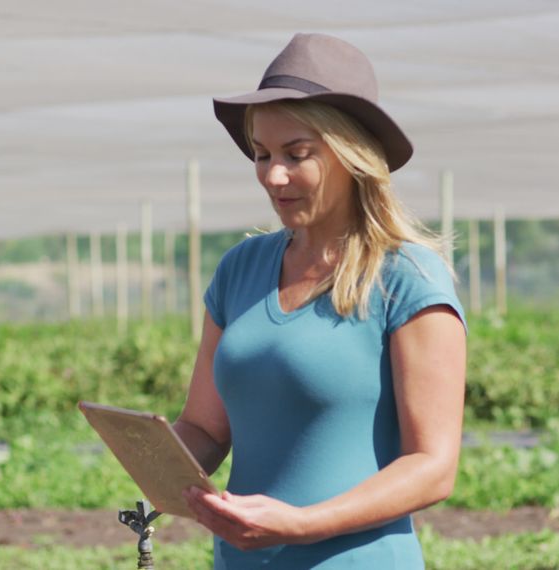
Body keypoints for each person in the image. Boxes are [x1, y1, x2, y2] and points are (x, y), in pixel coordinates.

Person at [173, 32, 467, 569]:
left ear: (352, 155)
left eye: (296, 154)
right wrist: (156, 458)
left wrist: (301, 524)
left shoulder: (406, 278)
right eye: (261, 154)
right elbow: (206, 429)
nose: (272, 175)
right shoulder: (241, 269)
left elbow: (432, 465)